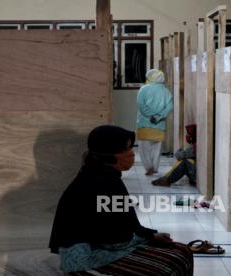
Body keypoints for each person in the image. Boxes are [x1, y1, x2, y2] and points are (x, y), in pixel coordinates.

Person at [49, 125, 193, 275]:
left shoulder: (105, 175)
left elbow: (123, 224)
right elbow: (115, 240)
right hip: (86, 258)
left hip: (105, 246)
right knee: (169, 265)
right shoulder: (99, 182)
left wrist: (149, 235)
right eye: (125, 149)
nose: (131, 154)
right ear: (109, 154)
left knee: (182, 252)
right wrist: (148, 238)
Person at [136, 69, 173, 176]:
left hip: (144, 124)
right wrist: (159, 116)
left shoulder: (143, 89)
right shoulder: (166, 91)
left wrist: (151, 115)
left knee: (144, 148)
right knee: (156, 148)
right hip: (159, 125)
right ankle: (155, 167)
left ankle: (148, 168)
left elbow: (141, 106)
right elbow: (169, 106)